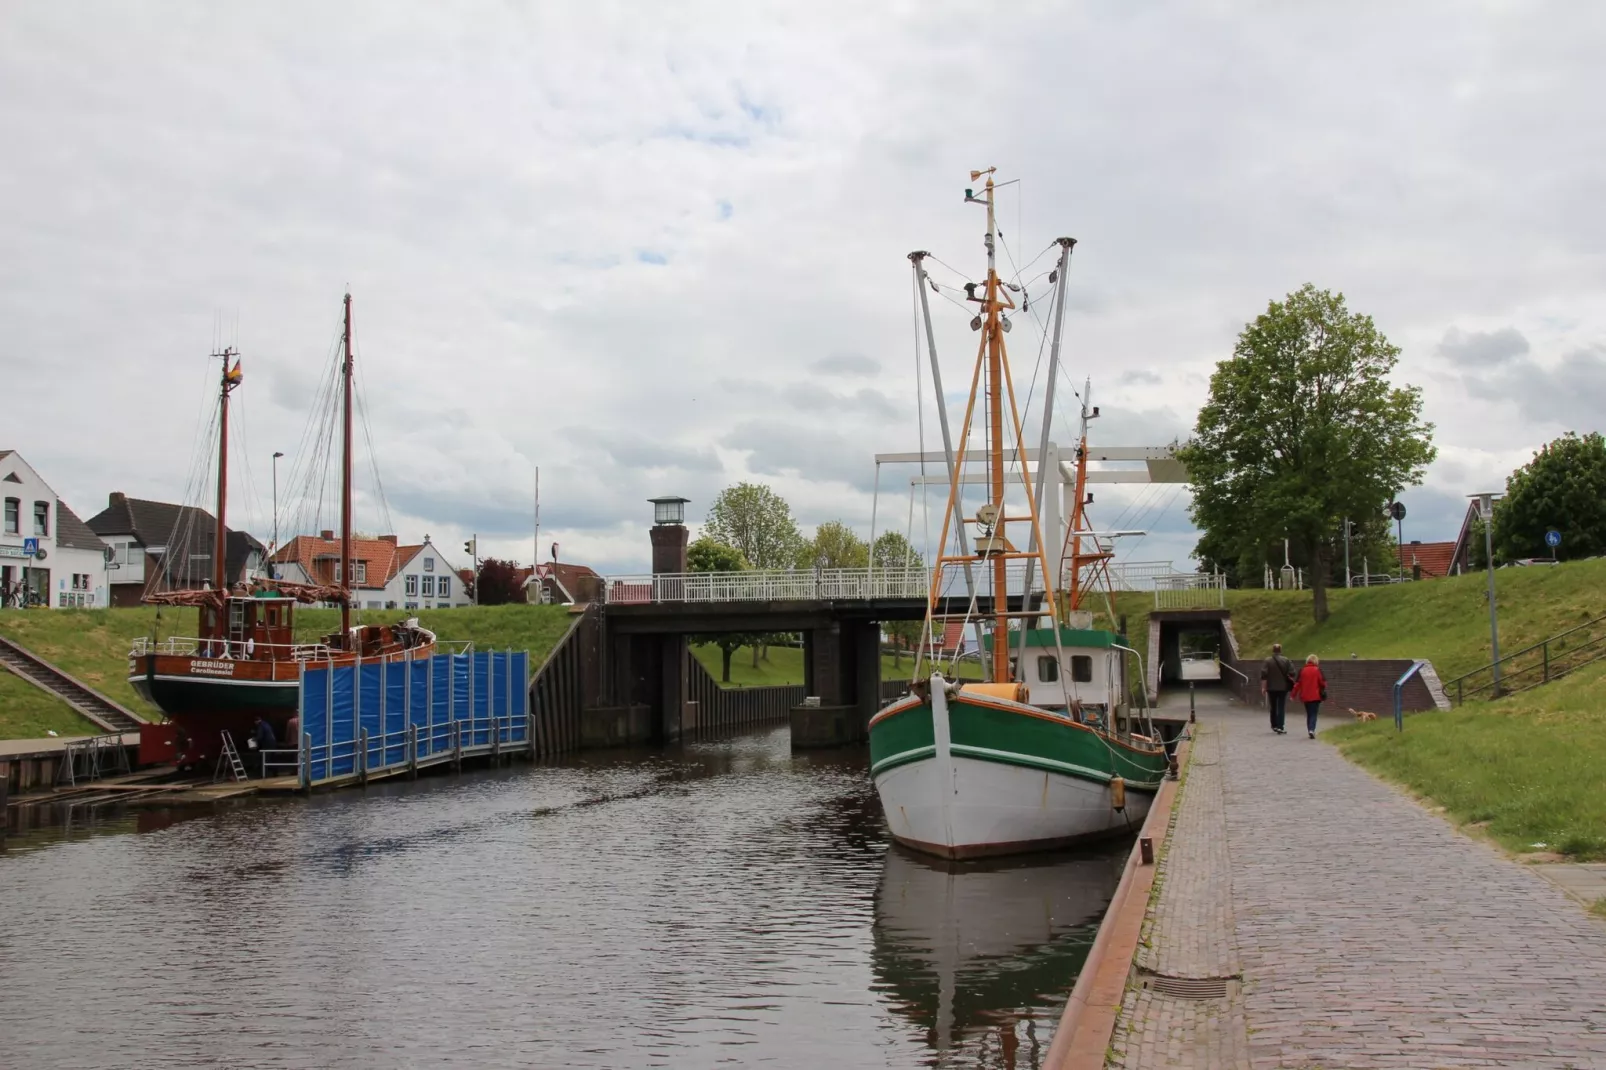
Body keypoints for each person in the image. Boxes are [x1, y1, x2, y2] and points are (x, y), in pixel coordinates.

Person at [1260, 642, 1296, 734]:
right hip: (1283, 687)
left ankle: (1274, 725)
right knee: (1281, 706)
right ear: (1280, 650)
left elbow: (1264, 675)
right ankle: (1280, 726)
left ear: (1273, 650)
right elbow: (1292, 673)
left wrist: (1263, 687)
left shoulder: (1267, 661)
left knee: (1273, 706)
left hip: (1271, 687)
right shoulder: (1286, 660)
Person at [1291, 654, 1328, 738]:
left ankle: (1309, 730)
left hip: (1305, 696)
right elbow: (1323, 683)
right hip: (1316, 696)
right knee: (1314, 713)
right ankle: (1312, 730)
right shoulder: (1317, 670)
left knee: (1309, 713)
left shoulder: (1302, 670)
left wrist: (1293, 695)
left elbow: (1297, 684)